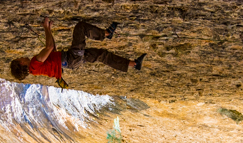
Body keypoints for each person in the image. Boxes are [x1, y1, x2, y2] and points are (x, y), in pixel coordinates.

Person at [9, 17, 146, 89]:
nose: (22, 57)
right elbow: (49, 47)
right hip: (71, 57)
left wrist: (49, 30)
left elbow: (53, 51)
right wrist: (45, 27)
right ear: (21, 62)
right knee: (80, 28)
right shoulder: (33, 64)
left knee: (101, 55)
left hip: (72, 62)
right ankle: (106, 33)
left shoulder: (35, 70)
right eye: (20, 58)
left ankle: (134, 64)